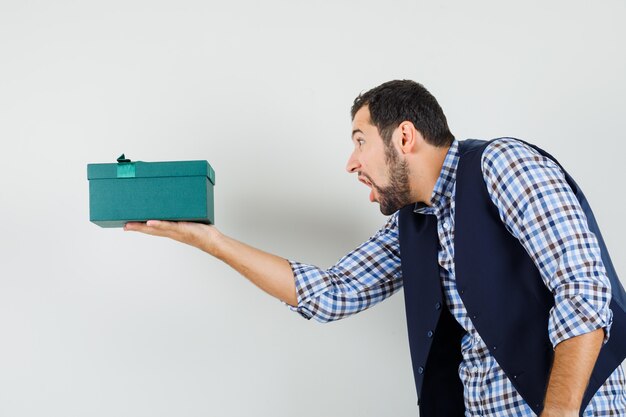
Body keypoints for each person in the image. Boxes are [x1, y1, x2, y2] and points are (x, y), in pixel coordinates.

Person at [124, 80, 626, 416]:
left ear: (404, 136)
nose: (350, 161)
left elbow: (582, 290)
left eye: (359, 140)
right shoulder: (415, 223)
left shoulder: (502, 165)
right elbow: (332, 292)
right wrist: (209, 241)